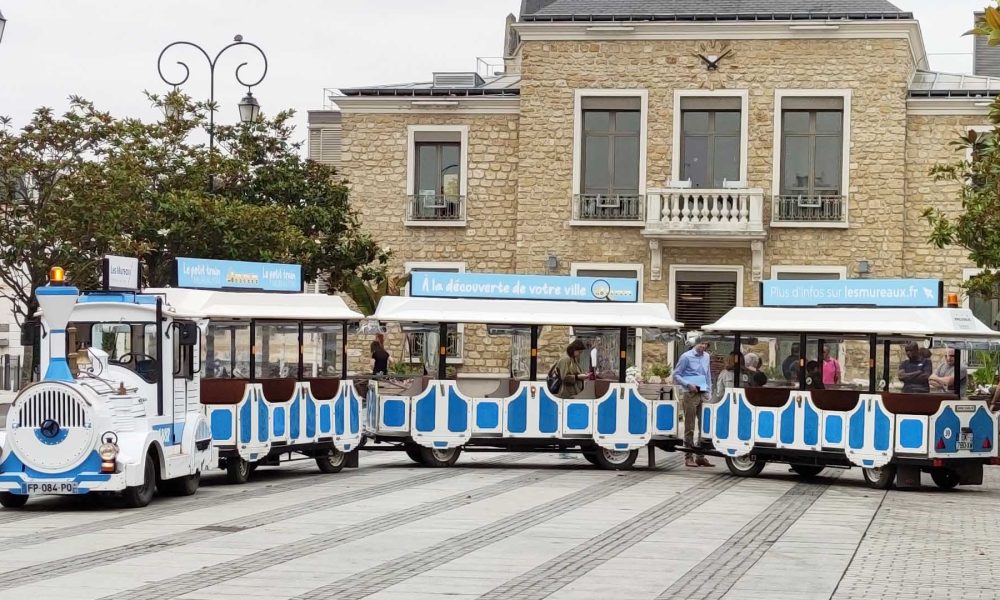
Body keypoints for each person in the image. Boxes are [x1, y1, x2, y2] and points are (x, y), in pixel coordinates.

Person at [674, 337, 713, 468]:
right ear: (695, 343)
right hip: (690, 393)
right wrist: (687, 384)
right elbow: (676, 374)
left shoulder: (706, 356)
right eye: (701, 343)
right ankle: (688, 456)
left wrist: (709, 391)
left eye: (705, 344)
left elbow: (708, 374)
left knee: (704, 425)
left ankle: (700, 456)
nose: (703, 346)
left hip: (703, 392)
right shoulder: (686, 357)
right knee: (689, 426)